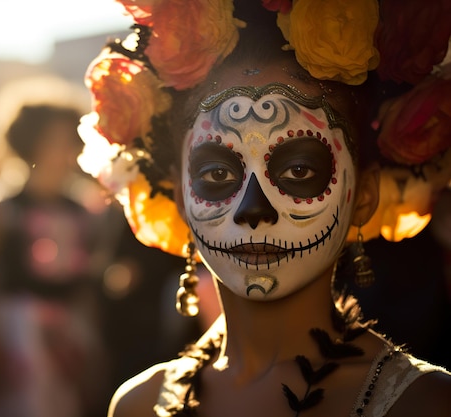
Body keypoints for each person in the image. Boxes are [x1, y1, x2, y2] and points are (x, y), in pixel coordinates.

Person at [76, 1, 451, 417]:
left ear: (362, 195)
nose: (253, 210)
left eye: (299, 169)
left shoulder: (423, 405)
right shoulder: (138, 406)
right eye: (217, 175)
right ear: (181, 197)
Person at [0, 76, 115, 417]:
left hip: (69, 335)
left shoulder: (84, 208)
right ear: (30, 142)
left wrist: (93, 341)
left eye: (70, 141)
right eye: (54, 141)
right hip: (16, 335)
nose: (65, 151)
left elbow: (86, 282)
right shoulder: (0, 205)